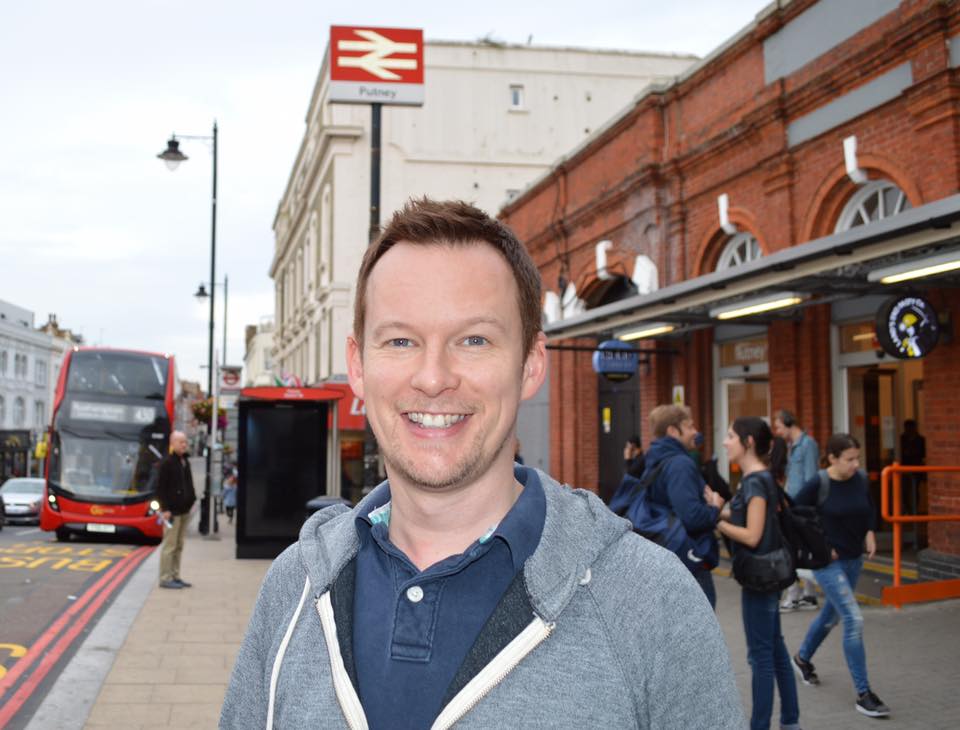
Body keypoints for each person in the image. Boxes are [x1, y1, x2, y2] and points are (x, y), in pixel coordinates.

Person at [221, 199, 744, 729]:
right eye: (400, 340)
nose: (433, 377)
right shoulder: (295, 586)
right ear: (358, 365)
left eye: (473, 340)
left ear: (531, 364)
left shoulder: (651, 602)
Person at [707, 417, 800, 730]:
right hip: (767, 577)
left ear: (747, 443)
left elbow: (752, 535)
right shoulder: (759, 479)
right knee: (775, 650)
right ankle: (790, 722)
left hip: (761, 580)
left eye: (731, 436)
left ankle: (761, 725)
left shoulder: (756, 481)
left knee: (760, 657)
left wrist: (715, 522)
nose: (725, 442)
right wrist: (719, 508)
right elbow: (745, 514)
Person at [790, 433, 891, 719]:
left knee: (831, 615)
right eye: (849, 459)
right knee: (853, 619)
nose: (855, 464)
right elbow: (795, 514)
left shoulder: (859, 479)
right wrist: (820, 545)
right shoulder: (819, 483)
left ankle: (802, 659)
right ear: (832, 458)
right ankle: (864, 694)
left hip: (853, 558)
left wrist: (870, 531)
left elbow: (868, 508)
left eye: (857, 458)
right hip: (828, 564)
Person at [641, 404, 721, 608]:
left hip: (669, 558)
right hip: (689, 562)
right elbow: (691, 517)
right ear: (673, 431)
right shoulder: (680, 465)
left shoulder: (657, 460)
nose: (696, 432)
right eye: (690, 426)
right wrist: (714, 507)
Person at [773, 409, 820, 612]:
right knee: (800, 548)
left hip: (801, 505)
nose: (777, 431)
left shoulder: (808, 445)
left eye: (779, 426)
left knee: (795, 548)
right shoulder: (792, 446)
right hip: (792, 502)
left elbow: (811, 477)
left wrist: (805, 506)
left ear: (789, 423)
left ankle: (797, 595)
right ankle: (807, 594)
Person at [156, 431, 196, 589]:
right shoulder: (166, 463)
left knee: (179, 545)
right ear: (172, 443)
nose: (184, 445)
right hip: (171, 512)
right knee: (170, 546)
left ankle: (175, 575)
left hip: (184, 511)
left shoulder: (185, 461)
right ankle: (165, 577)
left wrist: (192, 500)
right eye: (181, 442)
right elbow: (160, 489)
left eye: (185, 442)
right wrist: (164, 509)